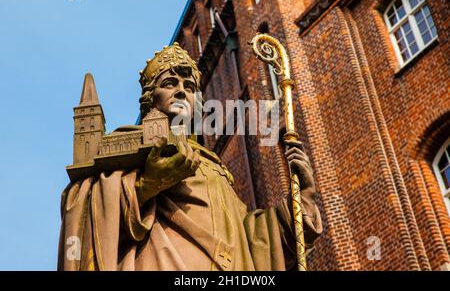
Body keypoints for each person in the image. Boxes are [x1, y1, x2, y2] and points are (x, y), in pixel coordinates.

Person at [58, 43, 322, 271]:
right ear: (151, 100)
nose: (182, 91)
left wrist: (298, 204)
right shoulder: (131, 146)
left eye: (190, 86)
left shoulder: (213, 167)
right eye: (169, 83)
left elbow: (251, 242)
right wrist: (148, 184)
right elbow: (82, 203)